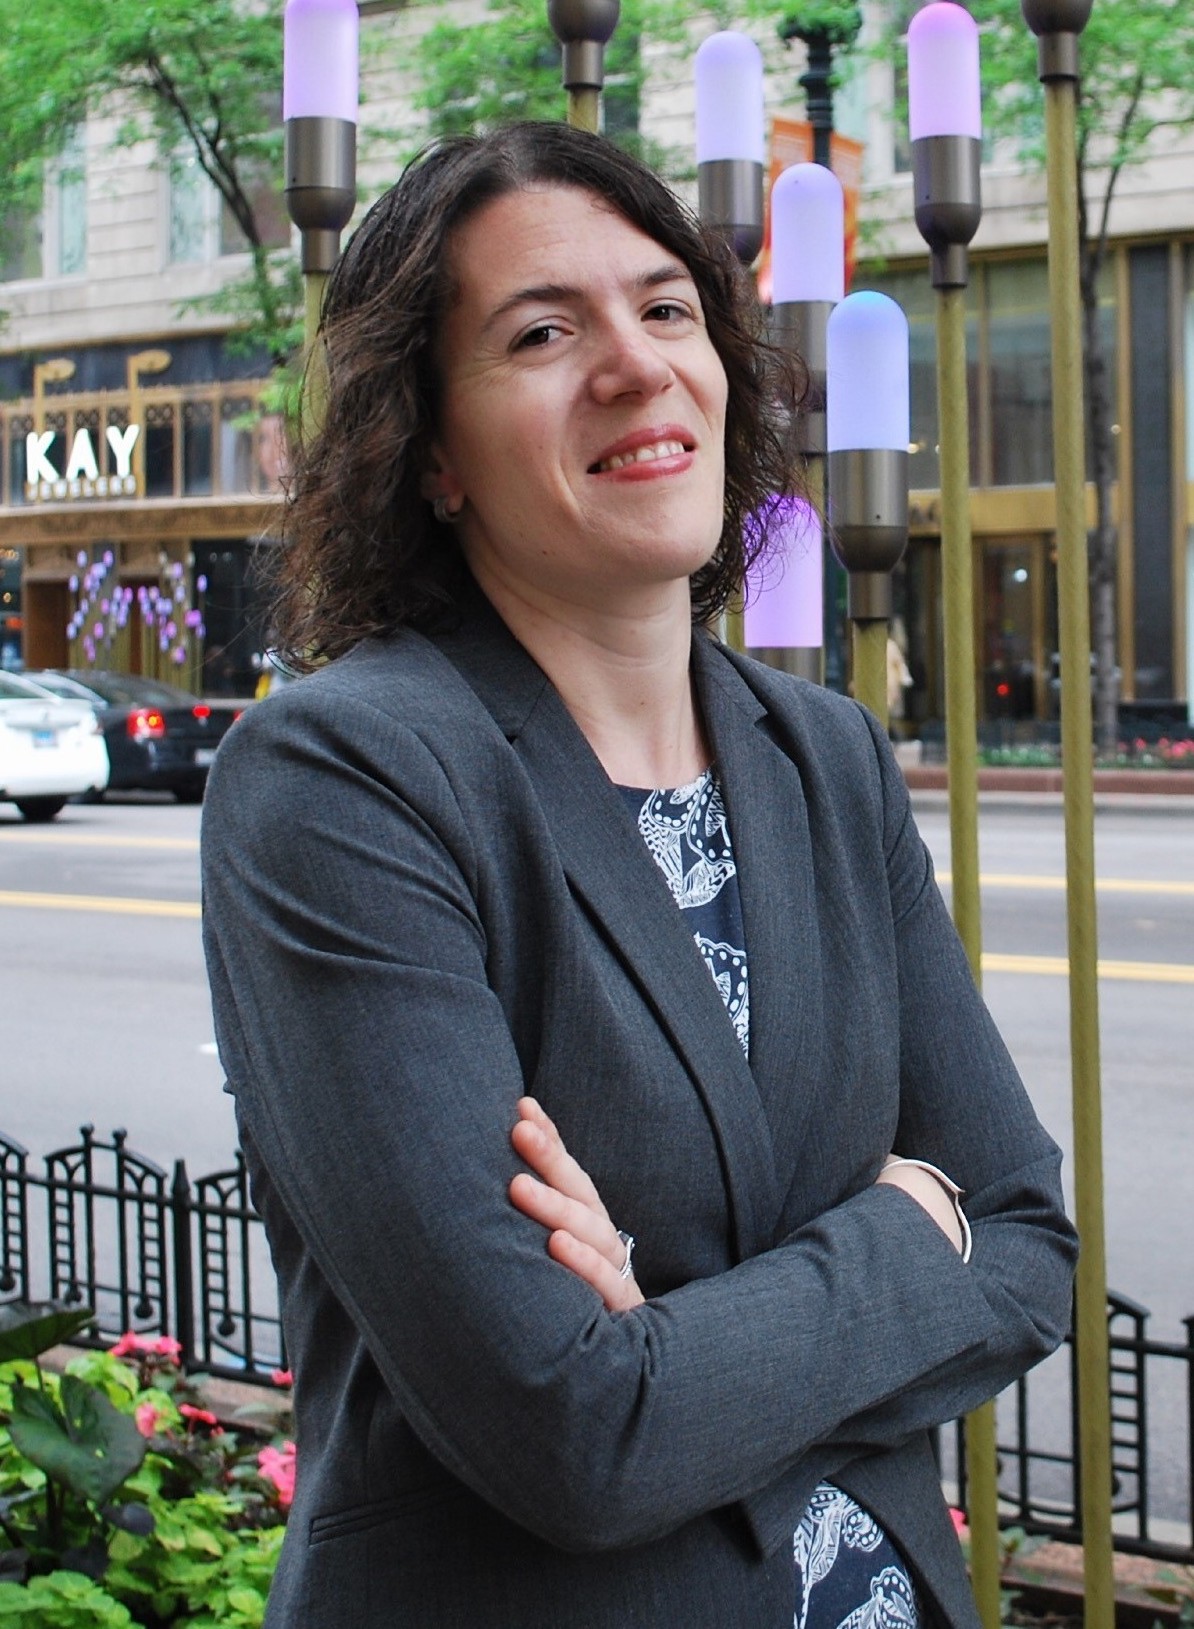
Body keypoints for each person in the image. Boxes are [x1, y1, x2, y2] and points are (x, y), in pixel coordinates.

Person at [201, 121, 1076, 1629]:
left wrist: (675, 1343)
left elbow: (1026, 1244)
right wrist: (900, 1234)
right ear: (428, 451)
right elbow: (574, 1433)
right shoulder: (344, 781)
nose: (633, 364)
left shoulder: (826, 757)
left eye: (667, 307)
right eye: (542, 332)